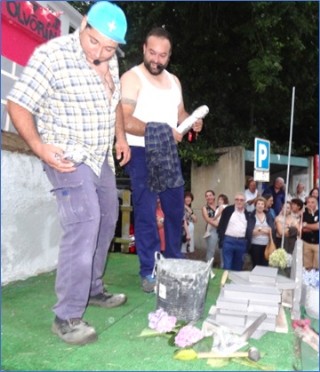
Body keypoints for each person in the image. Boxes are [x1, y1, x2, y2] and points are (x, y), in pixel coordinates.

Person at [6, 1, 130, 345]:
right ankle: (66, 316)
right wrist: (40, 147)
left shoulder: (111, 59)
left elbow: (115, 100)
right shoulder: (54, 56)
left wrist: (120, 137)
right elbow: (18, 103)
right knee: (85, 219)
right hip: (65, 153)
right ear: (84, 24)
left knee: (107, 218)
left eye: (109, 47)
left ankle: (92, 288)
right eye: (95, 43)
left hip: (99, 156)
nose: (101, 53)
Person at [120, 27, 204, 292]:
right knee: (145, 214)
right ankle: (149, 270)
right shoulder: (131, 78)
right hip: (141, 152)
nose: (156, 60)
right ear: (144, 49)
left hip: (169, 153)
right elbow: (124, 119)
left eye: (163, 55)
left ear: (169, 56)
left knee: (175, 211)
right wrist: (162, 130)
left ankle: (173, 263)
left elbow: (179, 114)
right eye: (152, 53)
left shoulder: (174, 81)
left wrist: (192, 122)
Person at [217, 192, 253, 271]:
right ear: (234, 200)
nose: (239, 202)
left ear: (244, 202)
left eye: (241, 200)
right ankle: (226, 283)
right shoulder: (228, 210)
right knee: (227, 266)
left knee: (238, 267)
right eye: (237, 200)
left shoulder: (247, 214)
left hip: (241, 242)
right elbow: (221, 225)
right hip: (228, 241)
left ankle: (234, 283)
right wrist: (221, 239)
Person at [249, 197, 274, 268]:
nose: (260, 206)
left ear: (264, 206)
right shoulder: (251, 216)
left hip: (266, 245)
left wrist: (259, 229)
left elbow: (270, 230)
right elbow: (251, 232)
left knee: (265, 266)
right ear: (255, 205)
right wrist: (263, 230)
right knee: (256, 265)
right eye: (258, 204)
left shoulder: (268, 216)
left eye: (262, 204)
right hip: (255, 245)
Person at [301, 196, 319, 269]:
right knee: (307, 267)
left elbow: (318, 227)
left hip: (318, 244)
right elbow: (302, 229)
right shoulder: (303, 214)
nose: (310, 204)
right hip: (306, 243)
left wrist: (306, 225)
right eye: (308, 202)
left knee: (317, 267)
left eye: (312, 202)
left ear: (316, 204)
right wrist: (313, 227)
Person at [202, 190, 219, 263]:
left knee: (223, 250)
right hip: (211, 230)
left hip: (221, 230)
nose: (209, 197)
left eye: (210, 195)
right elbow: (207, 219)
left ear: (214, 196)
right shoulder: (205, 208)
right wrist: (218, 224)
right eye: (207, 196)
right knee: (211, 251)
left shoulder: (219, 207)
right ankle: (209, 269)